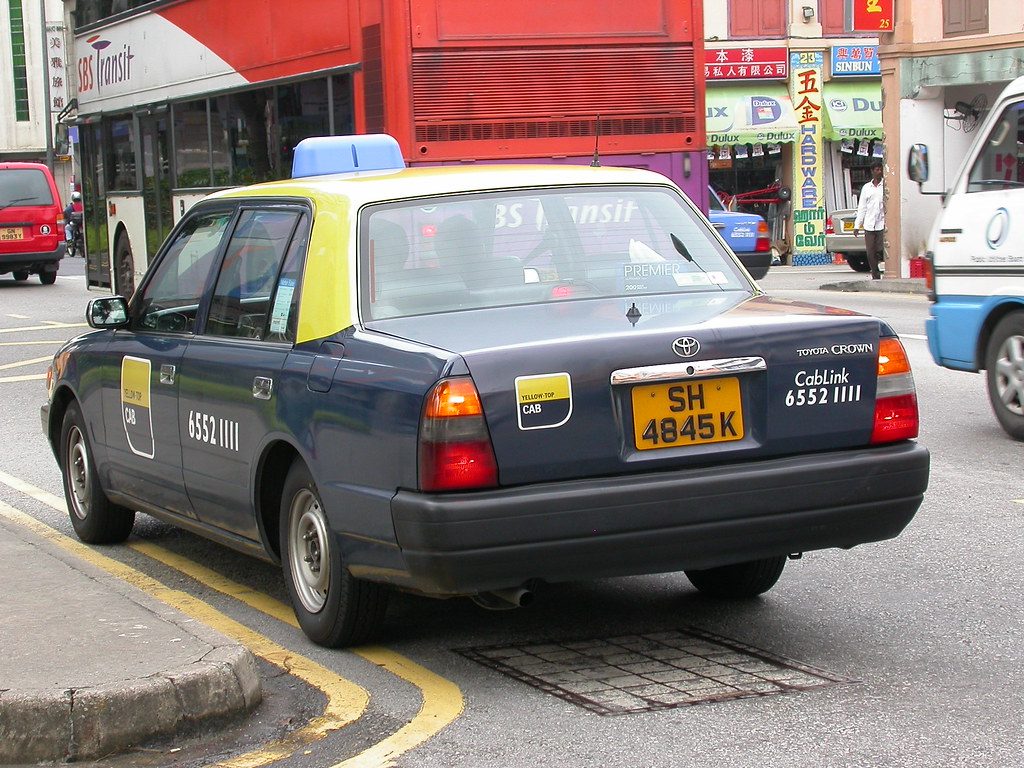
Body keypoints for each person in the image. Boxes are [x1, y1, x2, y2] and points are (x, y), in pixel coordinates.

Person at [853, 160, 885, 280]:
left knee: (881, 250)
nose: (879, 172)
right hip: (869, 225)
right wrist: (857, 225)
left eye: (880, 169)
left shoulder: (885, 186)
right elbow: (862, 207)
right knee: (870, 252)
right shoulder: (867, 188)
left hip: (882, 224)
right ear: (872, 172)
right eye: (876, 170)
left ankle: (883, 270)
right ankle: (875, 275)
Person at [64, 191, 84, 255]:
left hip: (74, 224)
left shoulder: (70, 207)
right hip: (82, 224)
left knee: (67, 228)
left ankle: (69, 243)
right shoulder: (83, 206)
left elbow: (65, 213)